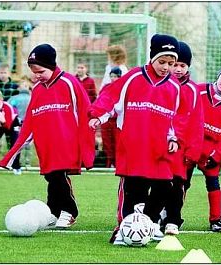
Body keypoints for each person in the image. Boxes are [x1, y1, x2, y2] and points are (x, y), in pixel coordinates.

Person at [88, 34, 181, 244]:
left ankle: (149, 223)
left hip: (158, 148)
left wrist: (173, 137)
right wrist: (99, 116)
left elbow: (175, 116)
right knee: (133, 190)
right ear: (152, 58)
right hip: (133, 145)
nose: (166, 67)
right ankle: (123, 229)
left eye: (171, 63)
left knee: (165, 185)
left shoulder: (174, 87)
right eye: (162, 61)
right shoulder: (133, 77)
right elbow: (111, 98)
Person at [0, 44, 95, 229]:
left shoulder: (69, 82)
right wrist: (17, 148)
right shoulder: (37, 89)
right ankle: (53, 211)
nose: (36, 75)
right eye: (33, 72)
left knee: (59, 175)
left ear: (51, 65)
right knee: (51, 177)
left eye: (40, 71)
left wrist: (85, 142)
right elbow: (31, 120)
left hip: (67, 142)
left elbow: (84, 111)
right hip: (46, 144)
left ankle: (69, 211)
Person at [184, 62, 221, 233]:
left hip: (210, 152)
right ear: (219, 75)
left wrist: (217, 155)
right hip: (191, 146)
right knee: (182, 183)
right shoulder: (199, 91)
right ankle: (171, 216)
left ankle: (215, 220)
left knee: (213, 184)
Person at [161, 41, 204, 235]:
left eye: (183, 66)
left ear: (188, 67)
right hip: (160, 147)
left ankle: (173, 219)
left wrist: (192, 151)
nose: (178, 69)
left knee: (178, 185)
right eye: (175, 64)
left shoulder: (193, 90)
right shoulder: (161, 86)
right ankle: (155, 217)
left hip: (182, 150)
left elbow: (196, 123)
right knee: (159, 184)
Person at [99, 66, 122, 168]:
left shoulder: (123, 88)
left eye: (115, 76)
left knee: (118, 142)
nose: (113, 78)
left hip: (117, 120)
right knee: (107, 143)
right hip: (107, 119)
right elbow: (100, 101)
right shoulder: (106, 87)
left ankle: (118, 163)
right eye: (111, 76)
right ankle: (109, 163)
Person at [8, 75, 32, 166]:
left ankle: (21, 162)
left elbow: (9, 108)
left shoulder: (14, 99)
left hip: (20, 124)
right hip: (26, 124)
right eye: (23, 85)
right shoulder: (32, 98)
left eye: (26, 85)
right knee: (26, 143)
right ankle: (26, 162)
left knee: (20, 143)